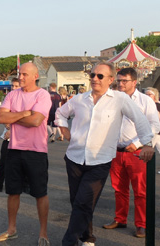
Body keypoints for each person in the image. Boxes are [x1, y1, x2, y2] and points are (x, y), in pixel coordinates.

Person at [54, 62, 155, 246]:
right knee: (78, 202)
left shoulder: (119, 99)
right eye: (92, 75)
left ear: (110, 80)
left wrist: (146, 143)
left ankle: (68, 241)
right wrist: (64, 130)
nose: (94, 79)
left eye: (100, 76)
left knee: (83, 202)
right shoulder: (79, 99)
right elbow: (60, 112)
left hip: (100, 161)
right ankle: (88, 237)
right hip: (74, 158)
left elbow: (141, 121)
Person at [0, 62, 51, 246]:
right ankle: (11, 230)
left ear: (35, 76)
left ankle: (43, 233)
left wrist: (15, 116)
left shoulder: (43, 95)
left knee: (40, 193)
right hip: (14, 150)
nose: (21, 77)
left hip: (36, 151)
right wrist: (25, 113)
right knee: (12, 192)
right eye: (20, 74)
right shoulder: (12, 94)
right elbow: (1, 117)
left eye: (25, 74)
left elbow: (36, 121)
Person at [101, 68, 160, 238]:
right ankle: (120, 219)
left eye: (124, 81)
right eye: (118, 81)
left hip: (137, 152)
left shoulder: (145, 100)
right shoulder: (112, 99)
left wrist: (138, 143)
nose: (120, 84)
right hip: (116, 151)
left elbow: (155, 125)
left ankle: (141, 224)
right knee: (119, 189)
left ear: (134, 82)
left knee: (140, 191)